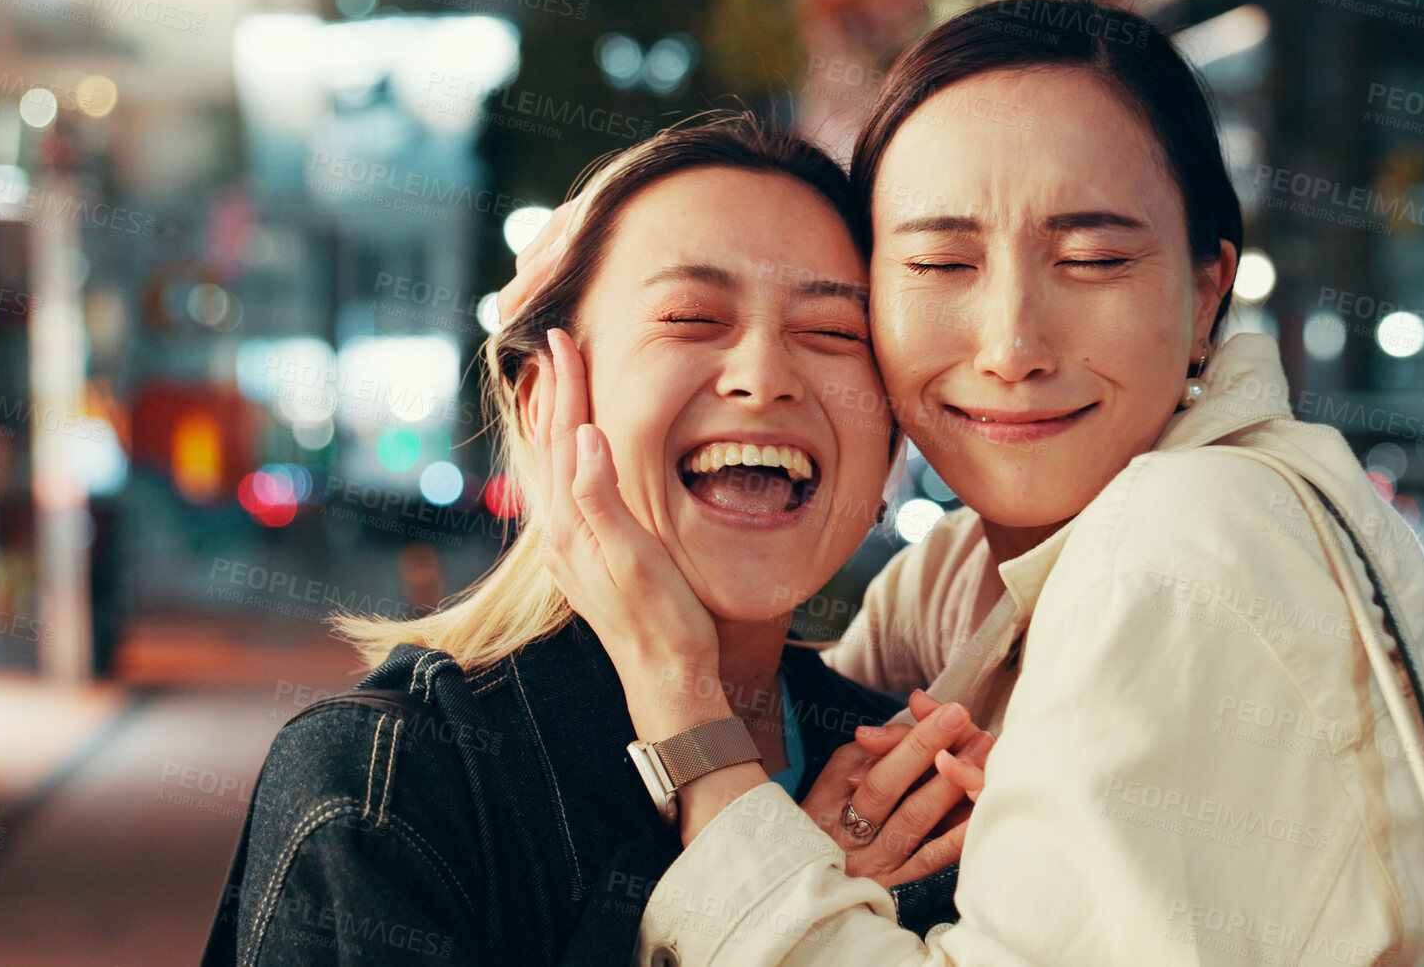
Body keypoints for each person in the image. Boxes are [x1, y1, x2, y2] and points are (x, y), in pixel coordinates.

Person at [513, 0, 1424, 966]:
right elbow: (812, 734)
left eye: (1096, 260)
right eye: (940, 265)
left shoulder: (1190, 539)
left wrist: (685, 714)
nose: (1013, 342)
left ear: (1207, 295)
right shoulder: (967, 579)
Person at [200, 119, 993, 967]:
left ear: (889, 448)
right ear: (546, 407)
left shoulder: (917, 786)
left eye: (835, 333)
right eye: (691, 316)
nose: (764, 375)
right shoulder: (391, 782)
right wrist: (772, 898)